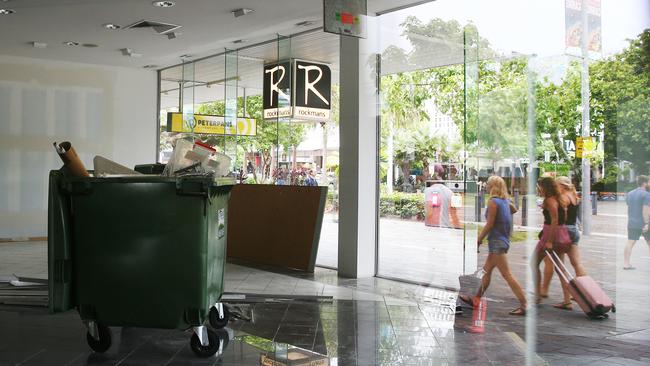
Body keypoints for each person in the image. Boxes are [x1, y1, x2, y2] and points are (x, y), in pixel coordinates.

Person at [459, 176, 527, 316]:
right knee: (486, 272)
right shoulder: (505, 201)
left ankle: (525, 304)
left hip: (497, 242)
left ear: (493, 186)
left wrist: (478, 239)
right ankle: (475, 299)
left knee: (507, 275)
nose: (486, 186)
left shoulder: (493, 202)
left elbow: (489, 224)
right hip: (502, 240)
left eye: (488, 184)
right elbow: (514, 210)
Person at [550, 176, 588, 311]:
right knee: (577, 263)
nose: (555, 188)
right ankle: (587, 292)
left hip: (563, 231)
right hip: (574, 230)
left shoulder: (563, 198)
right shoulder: (573, 195)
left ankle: (567, 300)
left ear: (562, 185)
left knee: (560, 267)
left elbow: (560, 217)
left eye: (556, 185)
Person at [532, 177, 563, 304]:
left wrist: (549, 240)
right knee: (558, 266)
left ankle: (538, 294)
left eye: (540, 186)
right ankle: (566, 299)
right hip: (550, 233)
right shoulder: (557, 199)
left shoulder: (550, 201)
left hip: (548, 235)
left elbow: (555, 219)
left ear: (545, 187)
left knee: (533, 263)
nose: (538, 189)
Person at [623, 175, 650, 269]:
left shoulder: (630, 193)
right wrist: (646, 223)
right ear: (645, 183)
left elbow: (629, 205)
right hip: (643, 223)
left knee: (630, 242)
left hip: (632, 222)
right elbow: (645, 210)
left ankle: (626, 264)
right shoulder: (646, 194)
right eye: (649, 182)